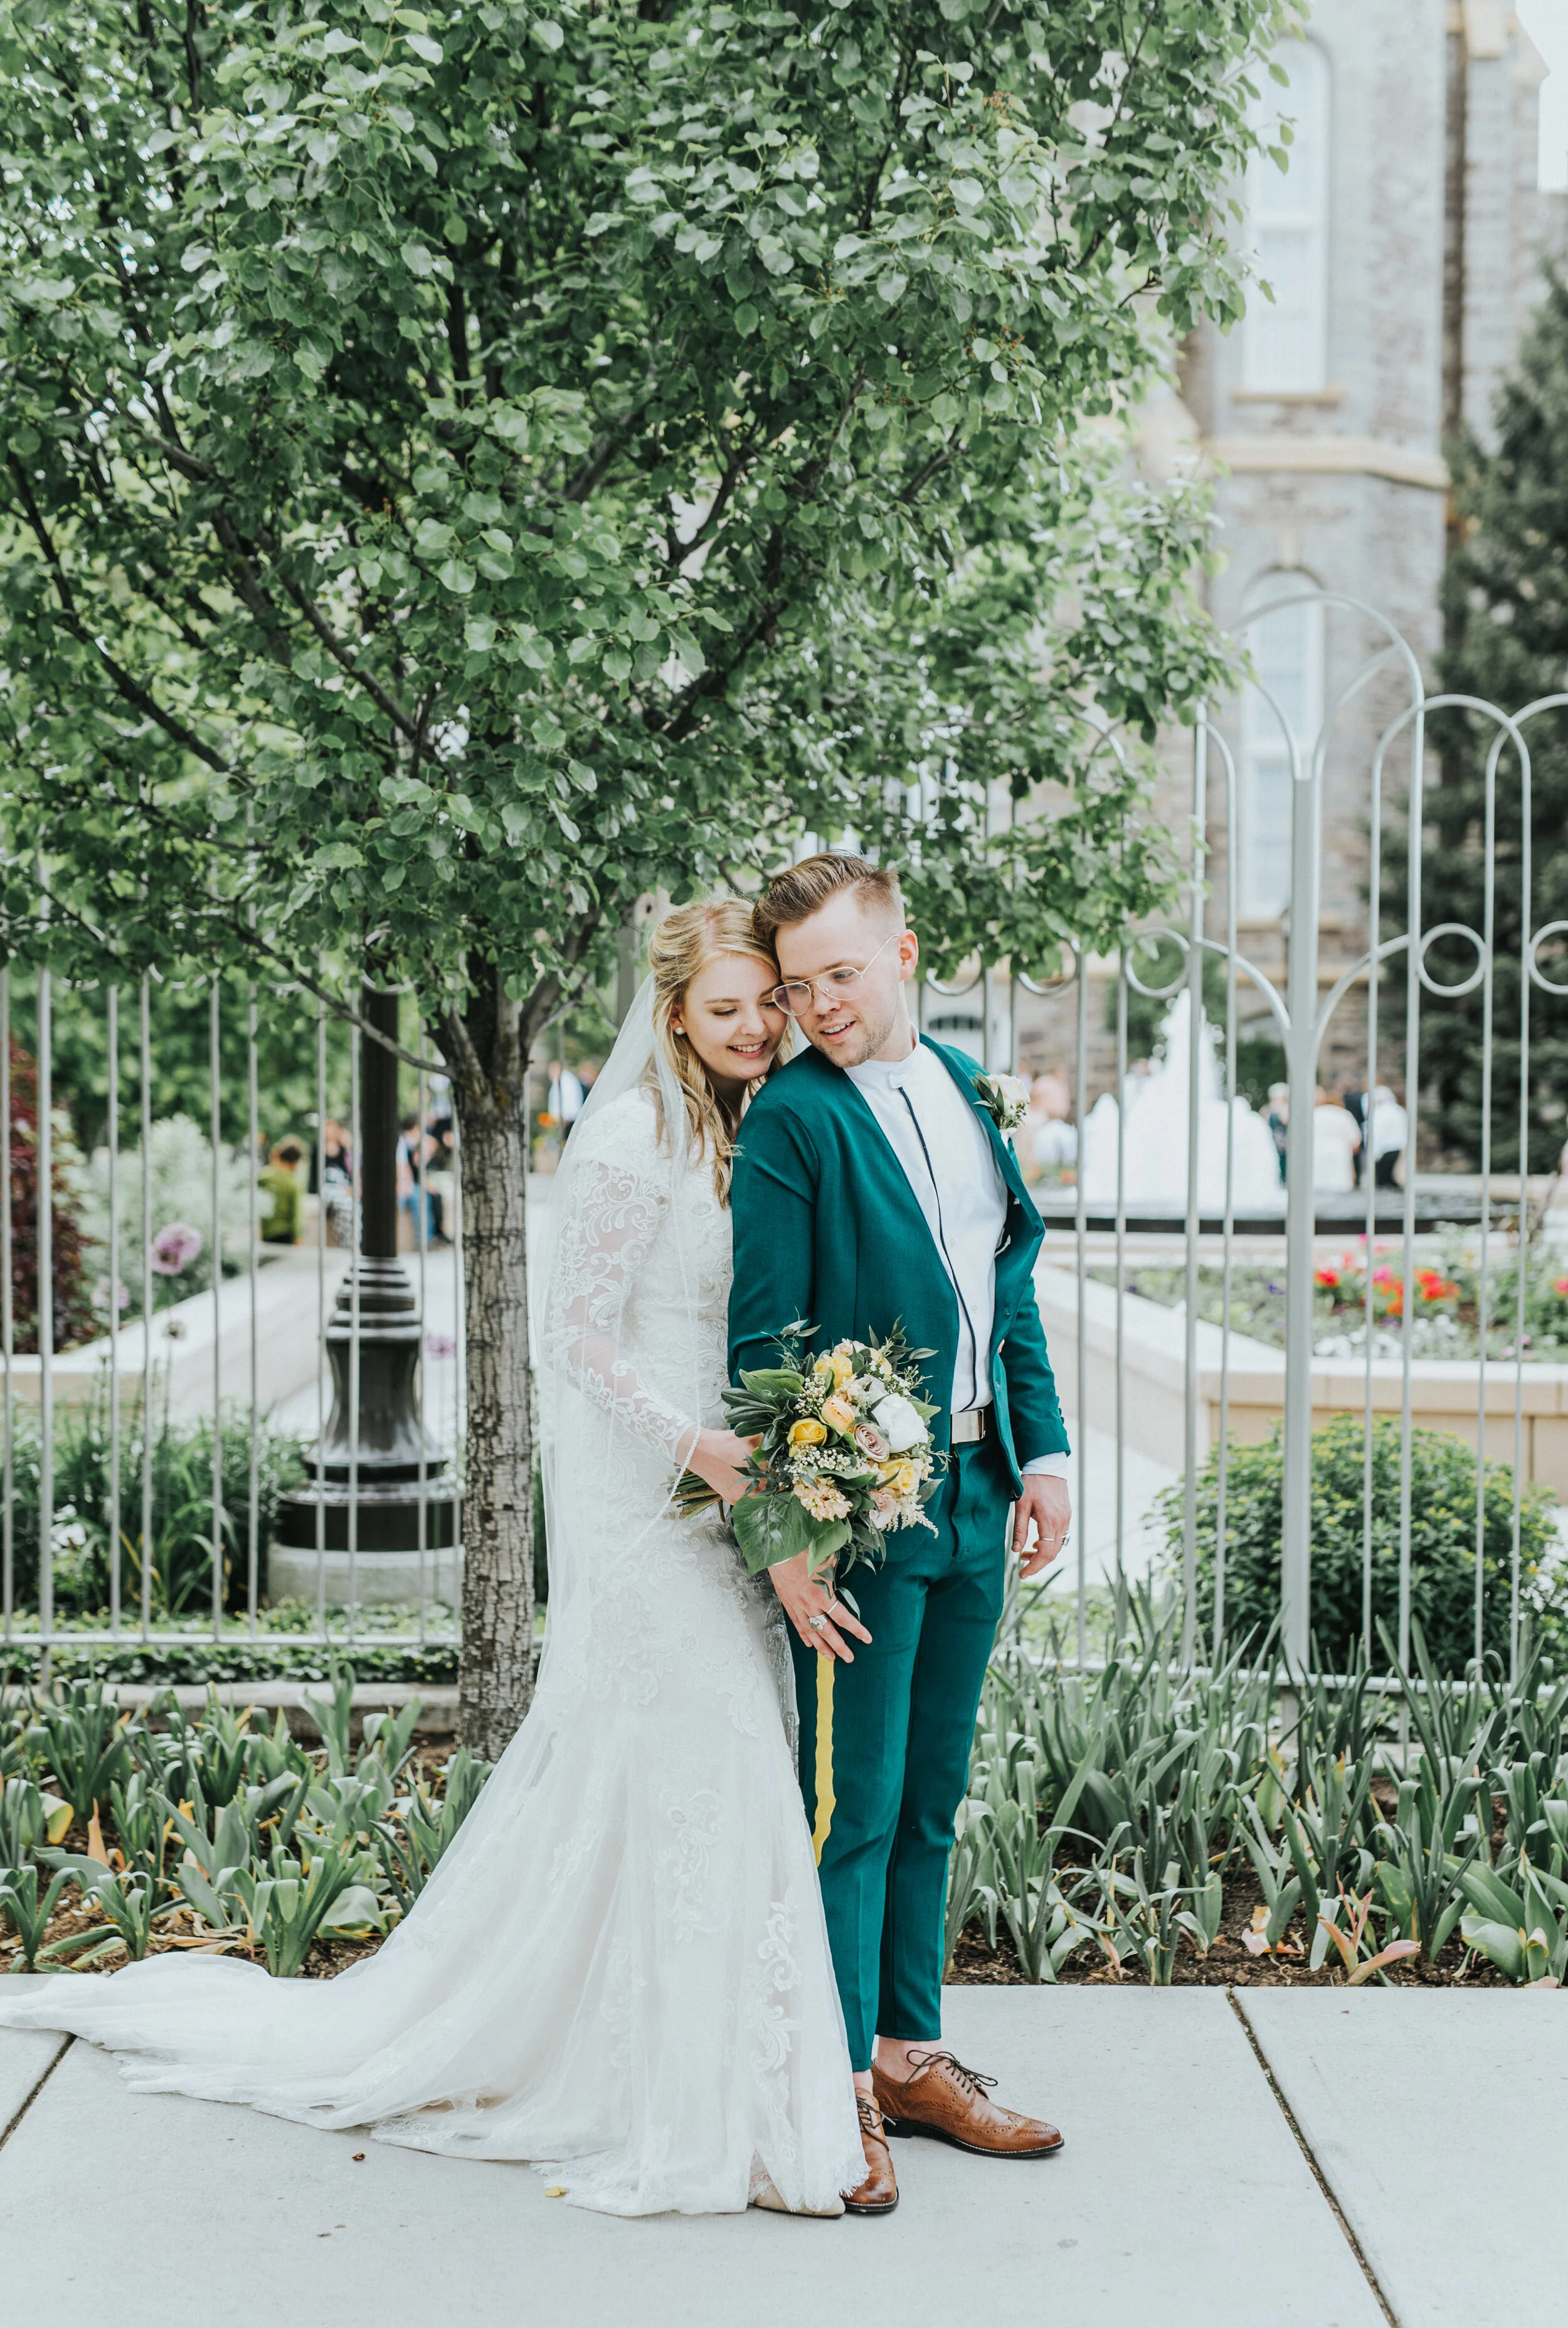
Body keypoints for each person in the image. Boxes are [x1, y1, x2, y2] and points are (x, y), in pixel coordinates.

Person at [0, 899, 863, 2221]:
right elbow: (575, 1339)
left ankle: (707, 2069)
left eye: (767, 1000)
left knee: (690, 1780)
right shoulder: (634, 1132)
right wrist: (697, 1445)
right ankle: (695, 2100)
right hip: (653, 1505)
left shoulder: (754, 1126)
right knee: (718, 1761)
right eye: (728, 1004)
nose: (755, 1023)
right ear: (674, 1012)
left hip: (726, 1502)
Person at [730, 854, 1069, 2218]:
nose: (815, 1003)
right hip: (855, 1515)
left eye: (839, 974)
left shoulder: (960, 1083)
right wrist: (782, 1537)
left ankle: (910, 2056)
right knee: (851, 1806)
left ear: (903, 952)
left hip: (980, 1491)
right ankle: (833, 2093)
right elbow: (763, 1343)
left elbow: (1003, 1276)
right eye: (795, 982)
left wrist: (1038, 1447)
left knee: (933, 1793)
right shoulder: (789, 1123)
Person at [1311, 1084, 1362, 1195]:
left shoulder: (1314, 1114)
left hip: (1316, 1152)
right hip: (1339, 1152)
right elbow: (1356, 1140)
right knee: (1339, 1184)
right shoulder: (1344, 1115)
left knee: (1318, 1183)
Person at [257, 1138, 305, 1245]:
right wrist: (299, 1237)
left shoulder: (265, 1176)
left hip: (267, 1231)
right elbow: (296, 1213)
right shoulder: (294, 1183)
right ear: (295, 1162)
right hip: (286, 1232)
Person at [1369, 1082, 1408, 1188]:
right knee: (1392, 1178)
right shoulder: (1399, 1111)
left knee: (1383, 1180)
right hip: (1398, 1148)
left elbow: (1376, 1134)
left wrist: (1374, 1154)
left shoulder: (1380, 1113)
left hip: (1384, 1150)